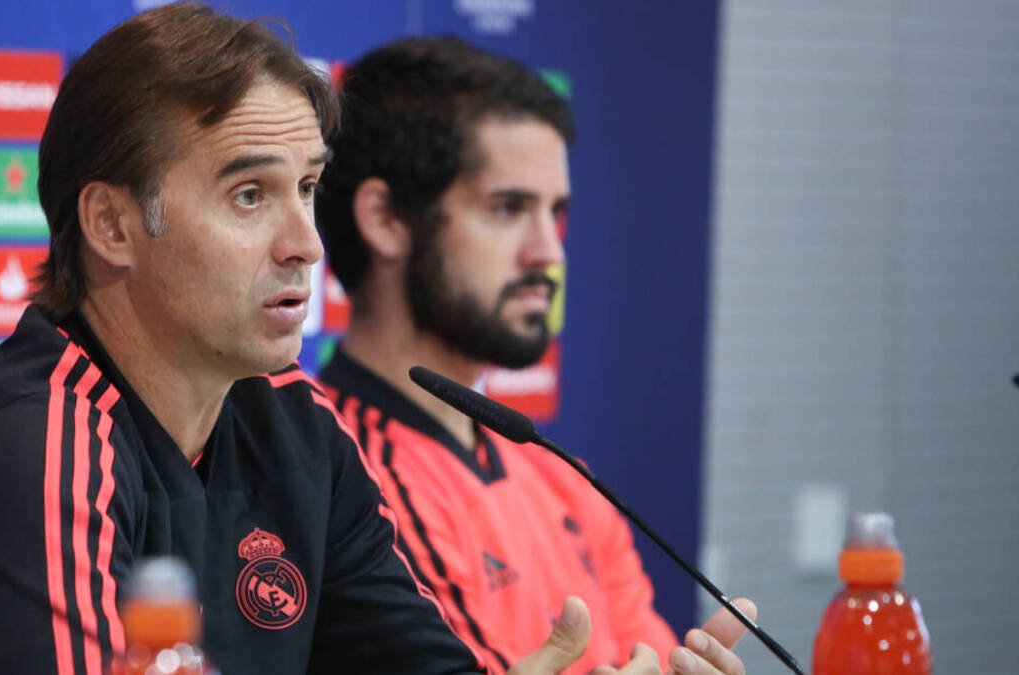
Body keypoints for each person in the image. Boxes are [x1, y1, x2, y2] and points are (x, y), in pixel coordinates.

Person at [0, 6, 586, 674]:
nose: (305, 244)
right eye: (250, 195)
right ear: (112, 226)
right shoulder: (34, 444)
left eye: (307, 189)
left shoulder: (297, 421)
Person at [317, 36, 755, 675]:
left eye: (556, 213)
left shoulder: (564, 479)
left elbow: (651, 658)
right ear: (385, 219)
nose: (549, 252)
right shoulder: (337, 473)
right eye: (508, 208)